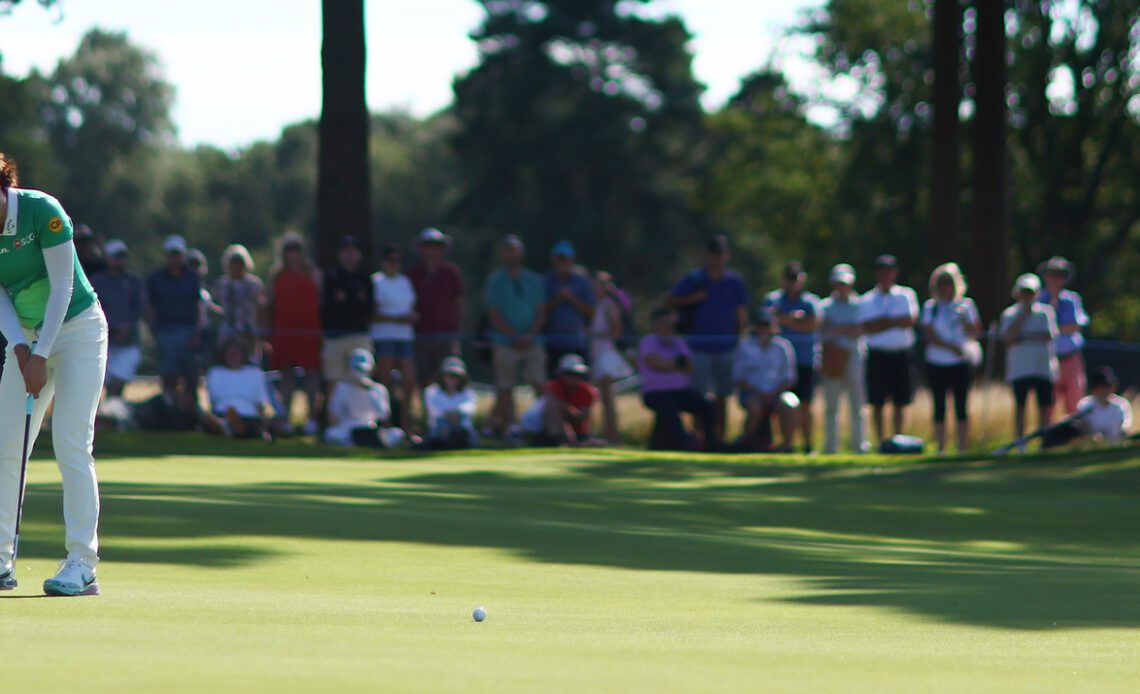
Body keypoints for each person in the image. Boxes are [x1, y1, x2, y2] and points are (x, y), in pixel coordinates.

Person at [0, 152, 107, 596]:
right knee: (6, 446)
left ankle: (82, 564)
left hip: (79, 331)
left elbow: (63, 285)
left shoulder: (43, 210)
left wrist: (41, 353)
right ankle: (1, 560)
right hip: (27, 339)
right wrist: (23, 350)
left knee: (70, 443)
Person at [666, 235, 748, 445]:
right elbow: (670, 300)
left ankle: (719, 439)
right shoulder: (695, 279)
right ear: (708, 255)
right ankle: (699, 438)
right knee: (698, 397)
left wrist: (739, 339)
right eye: (713, 253)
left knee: (722, 395)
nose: (716, 258)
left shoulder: (734, 282)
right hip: (698, 347)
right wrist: (693, 299)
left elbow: (741, 314)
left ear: (726, 255)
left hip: (726, 347)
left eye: (720, 254)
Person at [485, 235, 547, 434]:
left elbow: (541, 311)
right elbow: (494, 315)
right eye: (507, 250)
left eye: (514, 250)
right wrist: (514, 336)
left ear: (521, 253)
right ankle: (511, 428)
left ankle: (546, 426)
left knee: (539, 382)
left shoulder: (533, 279)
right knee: (505, 387)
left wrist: (529, 335)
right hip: (504, 341)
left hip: (533, 341)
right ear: (503, 254)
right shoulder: (496, 281)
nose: (511, 254)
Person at [920, 263, 982, 454]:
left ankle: (962, 447)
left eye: (949, 282)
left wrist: (964, 320)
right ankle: (941, 447)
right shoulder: (931, 307)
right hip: (937, 361)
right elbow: (928, 335)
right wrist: (951, 347)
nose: (946, 286)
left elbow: (976, 332)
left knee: (961, 404)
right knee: (939, 405)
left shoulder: (966, 305)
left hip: (960, 362)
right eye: (942, 283)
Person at [860, 254, 919, 447]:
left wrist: (883, 321)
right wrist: (895, 321)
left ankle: (898, 440)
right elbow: (868, 326)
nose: (885, 275)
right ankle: (880, 442)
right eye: (882, 271)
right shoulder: (868, 298)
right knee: (877, 401)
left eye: (889, 271)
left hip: (900, 354)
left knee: (900, 400)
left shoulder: (906, 295)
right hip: (877, 355)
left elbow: (909, 320)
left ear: (895, 273)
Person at [268, 231, 323, 435]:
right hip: (284, 331)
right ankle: (285, 420)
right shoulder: (277, 275)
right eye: (288, 249)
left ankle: (312, 419)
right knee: (286, 376)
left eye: (296, 248)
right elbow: (270, 305)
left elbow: (320, 301)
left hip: (309, 331)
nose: (293, 253)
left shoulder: (313, 272)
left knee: (311, 375)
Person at [638, 307, 715, 450]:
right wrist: (677, 362)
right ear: (655, 324)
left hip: (680, 391)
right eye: (664, 322)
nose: (668, 326)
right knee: (669, 411)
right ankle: (686, 445)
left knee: (706, 407)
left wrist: (668, 363)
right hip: (655, 392)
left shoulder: (679, 342)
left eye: (670, 323)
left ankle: (711, 444)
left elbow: (689, 367)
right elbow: (657, 364)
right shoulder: (648, 341)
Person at [765, 261, 821, 453]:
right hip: (777, 363)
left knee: (805, 404)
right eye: (789, 279)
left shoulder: (810, 302)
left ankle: (807, 444)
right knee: (778, 404)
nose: (792, 283)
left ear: (802, 279)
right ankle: (782, 443)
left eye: (795, 279)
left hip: (804, 360)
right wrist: (794, 319)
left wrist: (783, 318)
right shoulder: (773, 300)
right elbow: (766, 324)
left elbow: (811, 325)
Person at [1000, 273, 1059, 452]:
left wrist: (1023, 337)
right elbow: (1009, 338)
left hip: (1042, 368)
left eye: (1030, 293)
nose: (1027, 296)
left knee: (1044, 407)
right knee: (1020, 407)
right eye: (1024, 292)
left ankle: (1044, 442)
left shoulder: (1045, 312)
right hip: (1020, 369)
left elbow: (1048, 336)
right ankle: (1020, 444)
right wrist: (1023, 315)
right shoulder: (1010, 314)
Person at [818, 263, 868, 454]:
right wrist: (846, 329)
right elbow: (824, 330)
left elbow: (859, 330)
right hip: (832, 358)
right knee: (831, 407)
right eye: (839, 283)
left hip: (854, 358)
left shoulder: (860, 305)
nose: (842, 287)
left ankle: (860, 446)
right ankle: (830, 447)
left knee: (857, 405)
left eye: (845, 283)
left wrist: (838, 329)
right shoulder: (824, 306)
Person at [89, 239, 147, 399]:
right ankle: (105, 414)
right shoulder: (97, 281)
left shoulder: (134, 281)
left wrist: (126, 327)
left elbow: (139, 309)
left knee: (119, 382)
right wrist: (113, 327)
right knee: (102, 382)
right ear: (107, 258)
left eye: (122, 256)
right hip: (103, 339)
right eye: (115, 256)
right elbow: (95, 308)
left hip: (129, 341)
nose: (119, 260)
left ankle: (113, 413)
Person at [147, 234, 203, 395]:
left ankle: (190, 411)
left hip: (189, 332)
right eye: (171, 253)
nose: (174, 257)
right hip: (165, 331)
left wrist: (197, 332)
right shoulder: (156, 278)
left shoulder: (193, 277)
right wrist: (154, 330)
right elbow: (150, 306)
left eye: (177, 254)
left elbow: (198, 305)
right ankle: (169, 410)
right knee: (168, 376)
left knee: (191, 376)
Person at [733, 311, 797, 452]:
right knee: (755, 407)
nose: (764, 330)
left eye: (767, 326)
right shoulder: (745, 346)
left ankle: (787, 446)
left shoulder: (783, 347)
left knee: (789, 405)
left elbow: (789, 377)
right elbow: (738, 377)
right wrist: (758, 393)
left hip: (777, 393)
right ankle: (747, 443)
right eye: (761, 326)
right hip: (752, 392)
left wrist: (773, 393)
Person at [369, 243, 417, 431]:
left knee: (409, 380)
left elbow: (411, 307)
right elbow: (372, 313)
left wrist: (410, 317)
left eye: (398, 261)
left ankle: (406, 423)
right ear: (383, 262)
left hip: (405, 337)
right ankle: (385, 422)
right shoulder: (376, 282)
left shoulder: (405, 282)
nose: (394, 265)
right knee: (385, 381)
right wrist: (396, 319)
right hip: (383, 337)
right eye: (391, 261)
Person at [408, 228, 465, 387]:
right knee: (422, 376)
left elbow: (458, 302)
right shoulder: (414, 273)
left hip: (446, 334)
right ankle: (426, 411)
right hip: (421, 334)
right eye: (428, 246)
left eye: (436, 246)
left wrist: (457, 332)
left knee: (447, 376)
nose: (432, 250)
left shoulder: (451, 272)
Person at [321, 235, 375, 397]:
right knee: (334, 380)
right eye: (346, 252)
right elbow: (328, 307)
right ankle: (333, 418)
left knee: (361, 378)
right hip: (335, 337)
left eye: (353, 252)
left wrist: (346, 302)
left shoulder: (365, 279)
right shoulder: (331, 278)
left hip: (359, 335)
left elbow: (368, 308)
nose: (349, 256)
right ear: (339, 254)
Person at [1037, 256, 1090, 416]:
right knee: (1048, 403)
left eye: (1060, 275)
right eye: (1052, 274)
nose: (1056, 279)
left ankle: (1074, 436)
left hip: (1070, 358)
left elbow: (1076, 326)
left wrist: (1052, 329)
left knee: (1075, 401)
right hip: (1047, 359)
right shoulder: (1039, 299)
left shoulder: (1072, 299)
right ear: (1045, 277)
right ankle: (1048, 437)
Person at [325, 348, 403, 448]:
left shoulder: (378, 389)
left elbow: (383, 415)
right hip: (348, 429)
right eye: (357, 370)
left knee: (397, 433)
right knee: (331, 433)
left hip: (370, 428)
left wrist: (369, 390)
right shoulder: (342, 388)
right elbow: (334, 415)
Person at [589, 271, 634, 443]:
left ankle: (613, 436)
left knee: (608, 397)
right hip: (598, 352)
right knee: (601, 397)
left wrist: (596, 334)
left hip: (606, 354)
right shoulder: (599, 304)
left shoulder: (609, 304)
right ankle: (606, 433)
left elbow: (616, 331)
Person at [522, 354, 598, 446]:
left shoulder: (587, 391)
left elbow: (582, 417)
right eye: (569, 374)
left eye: (576, 374)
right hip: (549, 429)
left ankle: (573, 441)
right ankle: (558, 439)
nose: (573, 378)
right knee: (553, 408)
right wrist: (570, 411)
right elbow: (554, 407)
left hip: (577, 430)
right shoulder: (553, 386)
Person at [543, 240, 595, 375]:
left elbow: (591, 312)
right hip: (552, 343)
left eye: (565, 258)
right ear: (553, 259)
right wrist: (558, 299)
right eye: (559, 258)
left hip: (577, 343)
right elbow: (539, 311)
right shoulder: (545, 282)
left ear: (571, 259)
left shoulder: (582, 282)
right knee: (554, 383)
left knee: (580, 383)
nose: (562, 262)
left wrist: (572, 299)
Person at [205, 339, 273, 440]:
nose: (233, 356)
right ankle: (225, 426)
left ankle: (229, 428)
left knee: (238, 421)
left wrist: (264, 426)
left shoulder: (255, 373)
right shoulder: (215, 373)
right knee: (217, 417)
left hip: (248, 417)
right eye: (230, 353)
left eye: (236, 353)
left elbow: (261, 404)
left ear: (243, 355)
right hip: (221, 414)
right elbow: (211, 402)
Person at [214, 243, 265, 359]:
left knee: (250, 361)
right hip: (227, 330)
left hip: (248, 330)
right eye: (233, 262)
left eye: (239, 262)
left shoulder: (254, 284)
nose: (236, 266)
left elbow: (261, 307)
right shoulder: (221, 283)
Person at [423, 356, 478, 450]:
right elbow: (435, 412)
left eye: (456, 376)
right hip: (439, 431)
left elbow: (469, 410)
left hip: (461, 429)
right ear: (442, 376)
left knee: (464, 427)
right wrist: (451, 415)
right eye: (449, 375)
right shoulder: (431, 391)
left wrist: (454, 414)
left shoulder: (468, 393)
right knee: (441, 425)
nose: (452, 379)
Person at [1074, 368, 1132, 444]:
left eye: (1109, 386)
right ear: (1094, 388)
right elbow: (1081, 428)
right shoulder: (1085, 405)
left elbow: (1125, 428)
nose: (1107, 390)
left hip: (1116, 448)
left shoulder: (1121, 405)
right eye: (1103, 386)